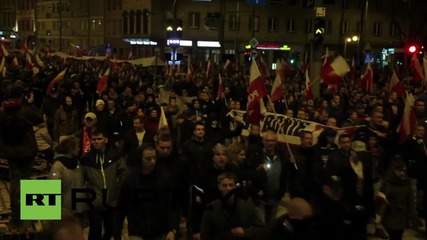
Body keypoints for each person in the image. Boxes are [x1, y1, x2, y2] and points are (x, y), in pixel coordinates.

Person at [0, 85, 44, 229]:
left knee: (14, 180)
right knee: (26, 180)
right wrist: (31, 103)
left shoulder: (2, 111)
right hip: (27, 151)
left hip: (11, 152)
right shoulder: (25, 110)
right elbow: (39, 118)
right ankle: (26, 213)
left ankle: (15, 214)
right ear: (21, 96)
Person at [117, 146, 180, 240]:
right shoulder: (130, 180)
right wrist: (117, 232)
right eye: (148, 159)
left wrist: (173, 229)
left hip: (160, 229)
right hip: (137, 230)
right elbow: (121, 207)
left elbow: (173, 204)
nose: (152, 161)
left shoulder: (164, 177)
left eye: (154, 157)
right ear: (140, 159)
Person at [80, 127, 127, 240]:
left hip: (112, 201)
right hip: (95, 202)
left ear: (106, 140)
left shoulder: (115, 156)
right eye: (94, 139)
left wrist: (118, 190)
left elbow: (124, 174)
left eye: (99, 139)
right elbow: (81, 179)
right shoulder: (86, 159)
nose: (96, 142)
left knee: (111, 230)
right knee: (95, 231)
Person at [200, 172, 264, 240]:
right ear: (219, 187)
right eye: (224, 185)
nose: (228, 188)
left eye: (231, 185)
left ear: (235, 187)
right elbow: (205, 234)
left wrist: (246, 232)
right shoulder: (211, 208)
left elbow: (260, 229)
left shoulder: (247, 207)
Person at [48, 137, 86, 222]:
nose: (79, 149)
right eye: (77, 147)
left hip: (77, 209)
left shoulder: (78, 163)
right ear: (71, 149)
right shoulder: (58, 166)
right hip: (65, 212)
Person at [377, 158, 416, 240]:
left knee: (397, 236)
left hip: (402, 217)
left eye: (404, 171)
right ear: (394, 170)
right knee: (394, 236)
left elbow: (411, 202)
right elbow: (379, 199)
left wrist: (414, 217)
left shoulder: (407, 183)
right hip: (390, 216)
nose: (402, 173)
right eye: (399, 170)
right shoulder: (387, 183)